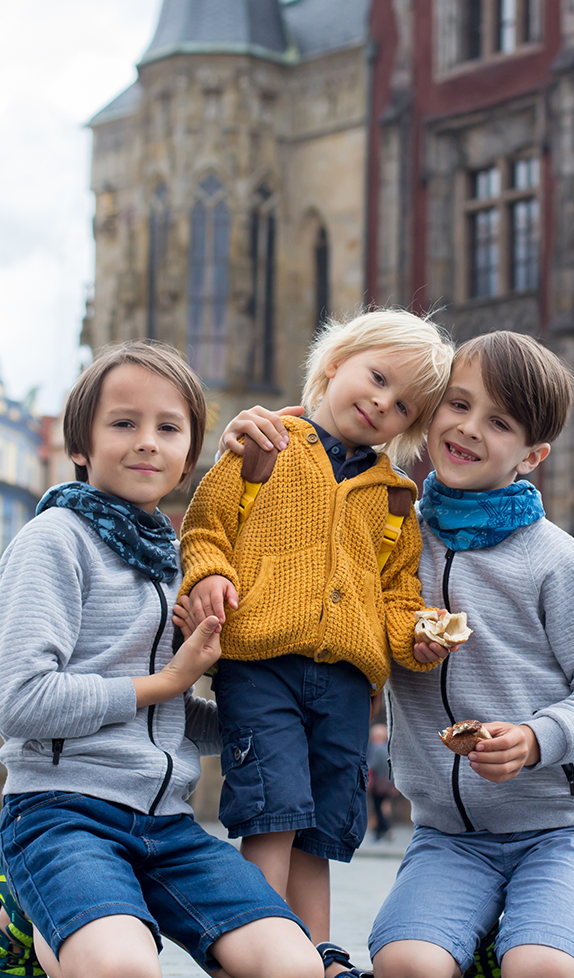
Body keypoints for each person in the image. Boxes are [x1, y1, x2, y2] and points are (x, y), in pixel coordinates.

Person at [217, 331, 574, 978]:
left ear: (532, 456)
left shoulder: (559, 561)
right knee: (406, 963)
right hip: (449, 836)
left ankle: (516, 939)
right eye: (458, 404)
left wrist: (535, 738)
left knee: (542, 968)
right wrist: (263, 434)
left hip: (559, 831)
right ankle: (473, 940)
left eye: (498, 423)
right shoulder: (387, 529)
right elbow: (306, 497)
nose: (468, 429)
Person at [0, 340, 324, 978]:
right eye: (123, 423)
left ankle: (60, 920)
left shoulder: (178, 557)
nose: (146, 442)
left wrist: (277, 711)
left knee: (294, 967)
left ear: (190, 455)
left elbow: (167, 714)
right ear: (79, 444)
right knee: (124, 969)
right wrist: (168, 678)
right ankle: (28, 904)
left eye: (168, 428)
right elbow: (18, 702)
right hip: (63, 811)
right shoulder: (54, 539)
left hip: (169, 824)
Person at [178, 309, 452, 973]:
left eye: (402, 404)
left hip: (347, 682)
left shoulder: (393, 499)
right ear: (334, 365)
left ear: (408, 428)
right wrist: (211, 574)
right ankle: (260, 944)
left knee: (322, 822)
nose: (382, 402)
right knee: (273, 810)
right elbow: (206, 527)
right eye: (377, 377)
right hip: (262, 664)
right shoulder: (265, 443)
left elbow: (396, 593)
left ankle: (316, 948)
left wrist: (415, 634)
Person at [368, 722, 397, 842]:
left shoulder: (376, 749)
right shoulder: (388, 748)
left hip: (379, 784)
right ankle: (383, 830)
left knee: (379, 807)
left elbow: (372, 766)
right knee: (385, 807)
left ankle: (382, 830)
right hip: (388, 783)